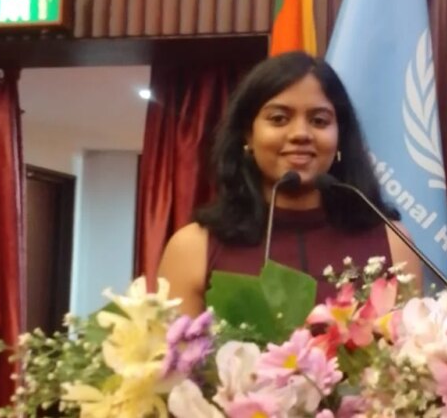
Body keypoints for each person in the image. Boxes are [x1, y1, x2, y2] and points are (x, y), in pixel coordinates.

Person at [158, 52, 422, 316]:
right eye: (278, 119)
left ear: (340, 137)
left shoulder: (393, 242)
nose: (300, 134)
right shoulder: (193, 248)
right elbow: (176, 344)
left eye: (319, 121)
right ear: (248, 135)